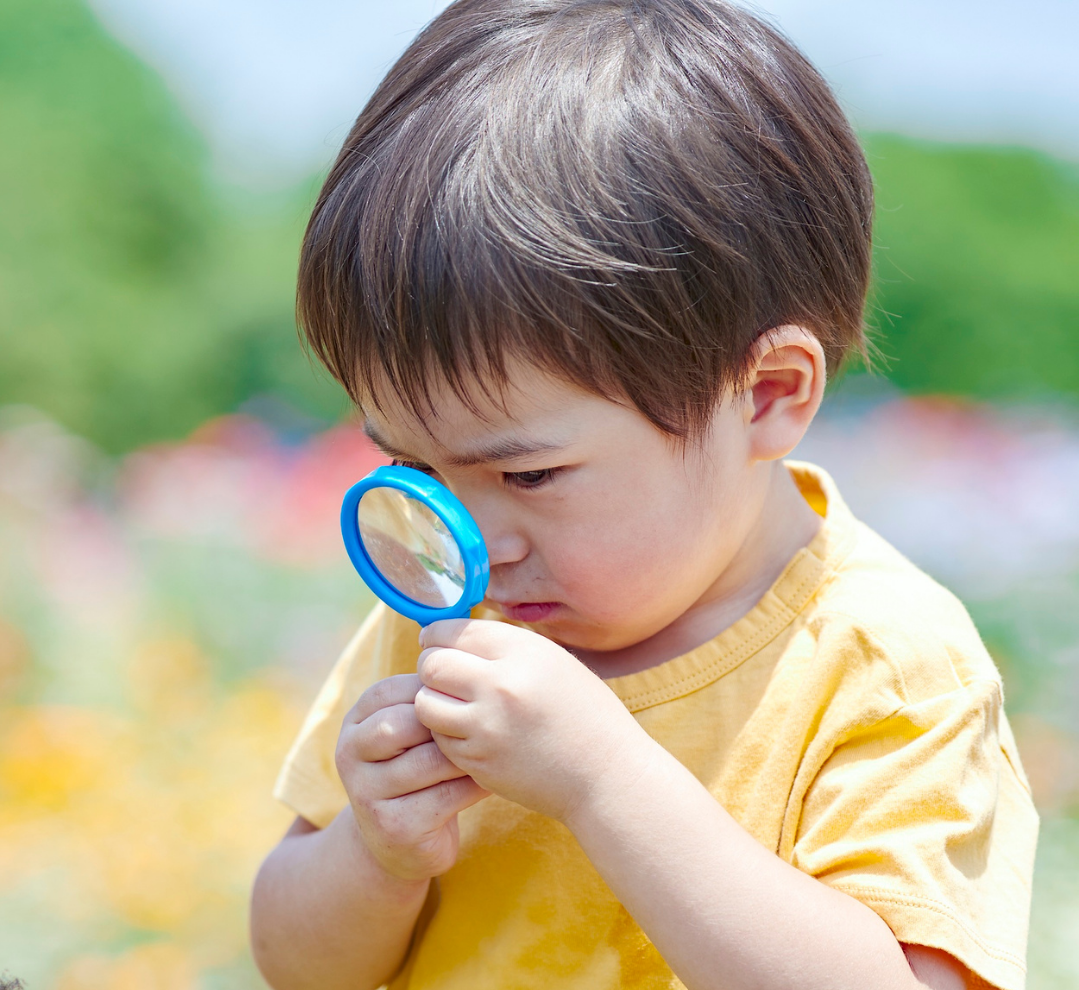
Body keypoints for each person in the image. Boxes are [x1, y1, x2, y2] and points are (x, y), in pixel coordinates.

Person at [247, 2, 1039, 988]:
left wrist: (600, 781)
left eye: (527, 475)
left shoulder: (881, 664)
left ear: (765, 397)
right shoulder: (438, 626)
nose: (470, 545)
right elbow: (294, 966)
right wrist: (372, 852)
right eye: (412, 471)